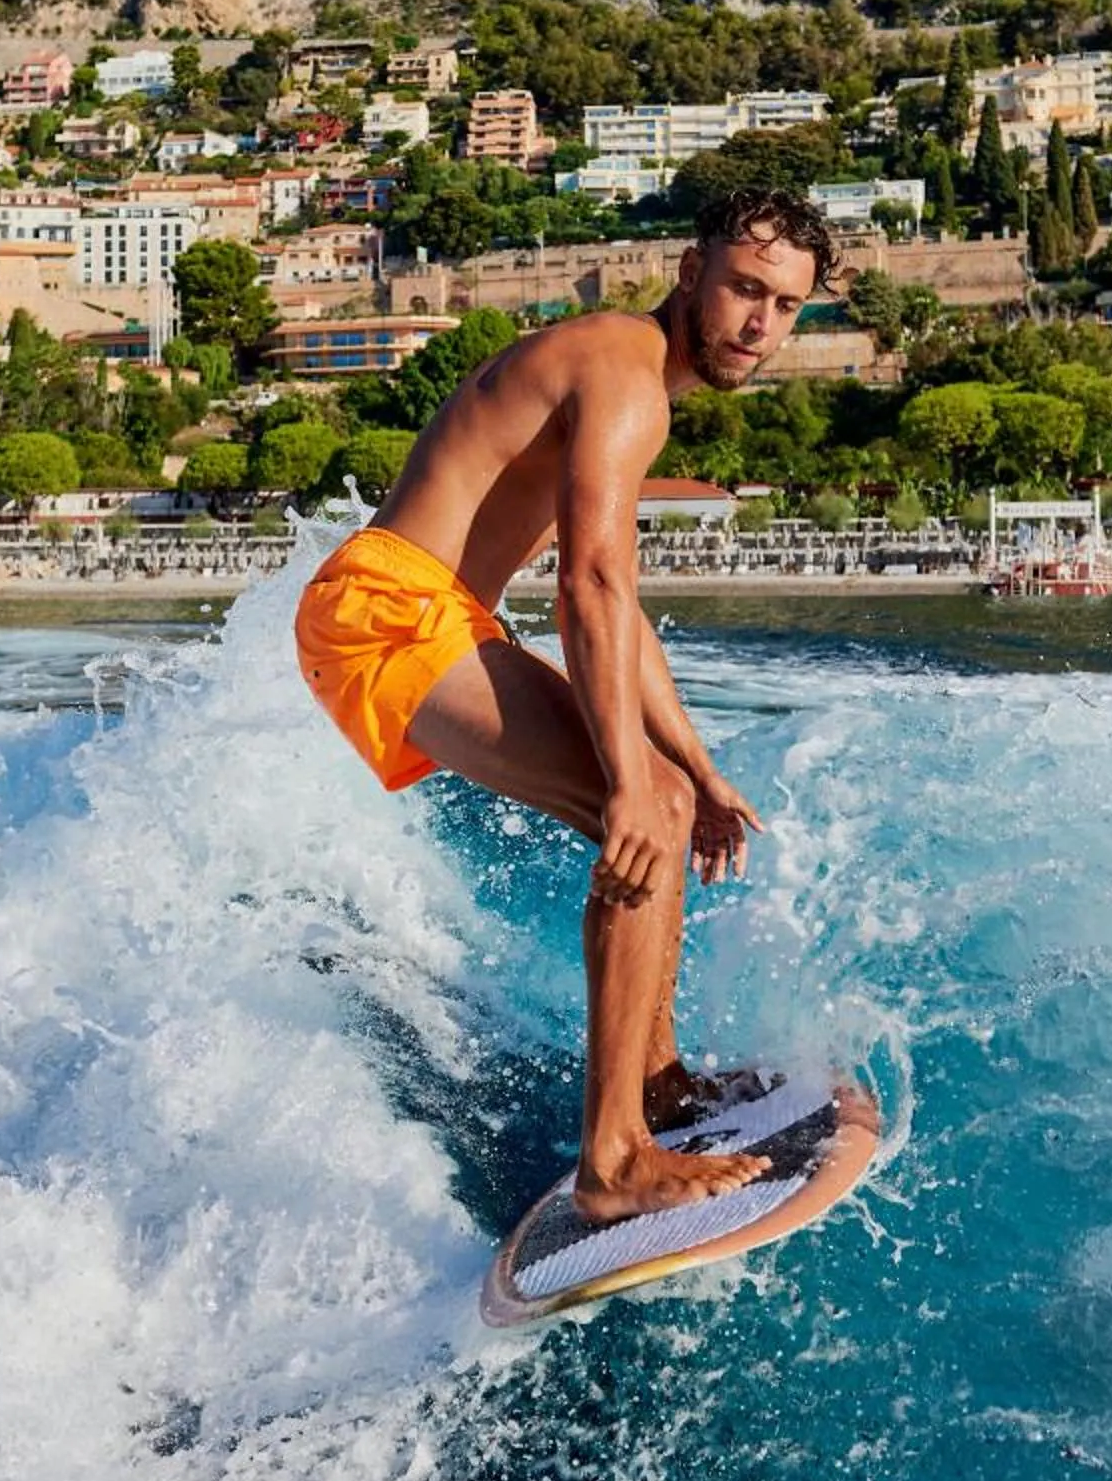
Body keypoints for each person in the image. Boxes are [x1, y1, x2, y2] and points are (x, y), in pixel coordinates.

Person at [294, 183, 841, 1222]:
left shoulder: (625, 380)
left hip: (422, 611)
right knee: (647, 809)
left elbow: (619, 619)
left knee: (671, 800)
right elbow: (587, 585)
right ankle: (615, 1157)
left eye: (786, 306)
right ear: (691, 273)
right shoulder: (624, 374)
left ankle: (655, 1083)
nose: (760, 324)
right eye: (744, 289)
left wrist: (696, 767)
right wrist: (637, 785)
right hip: (387, 609)